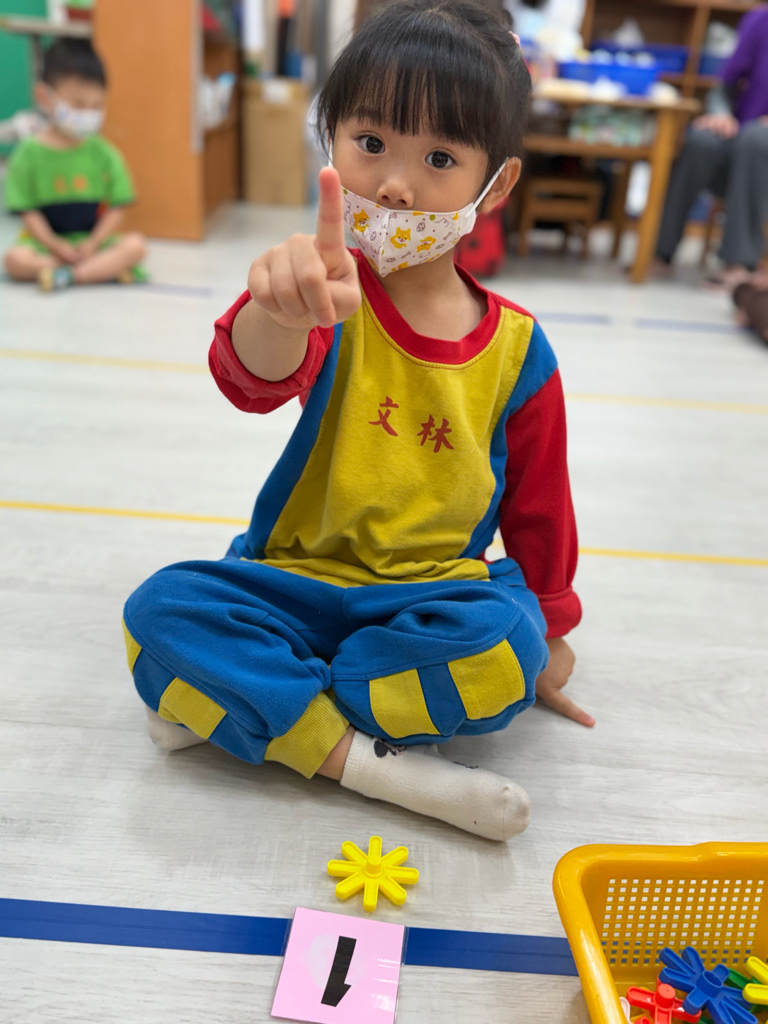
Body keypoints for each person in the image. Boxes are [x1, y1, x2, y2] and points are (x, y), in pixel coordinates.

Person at [122, 0, 589, 843]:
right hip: (293, 581)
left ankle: (257, 705)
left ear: (496, 185)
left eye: (439, 158)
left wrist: (551, 630)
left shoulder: (520, 350)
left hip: (433, 594)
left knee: (507, 647)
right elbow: (249, 379)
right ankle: (372, 766)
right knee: (158, 612)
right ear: (330, 139)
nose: (396, 185)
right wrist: (279, 312)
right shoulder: (324, 291)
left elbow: (541, 506)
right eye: (370, 142)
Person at [3, 38, 145, 292]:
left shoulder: (104, 153)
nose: (88, 113)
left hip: (92, 242)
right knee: (15, 260)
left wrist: (93, 243)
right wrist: (55, 244)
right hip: (46, 244)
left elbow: (117, 207)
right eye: (78, 104)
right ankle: (97, 270)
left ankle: (69, 276)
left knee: (136, 245)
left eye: (97, 105)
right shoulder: (27, 153)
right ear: (44, 96)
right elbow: (28, 211)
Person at [655, 4, 768, 285]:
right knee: (701, 140)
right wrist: (720, 113)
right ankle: (660, 251)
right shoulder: (760, 19)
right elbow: (724, 85)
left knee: (756, 139)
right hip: (742, 139)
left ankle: (740, 263)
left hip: (756, 144)